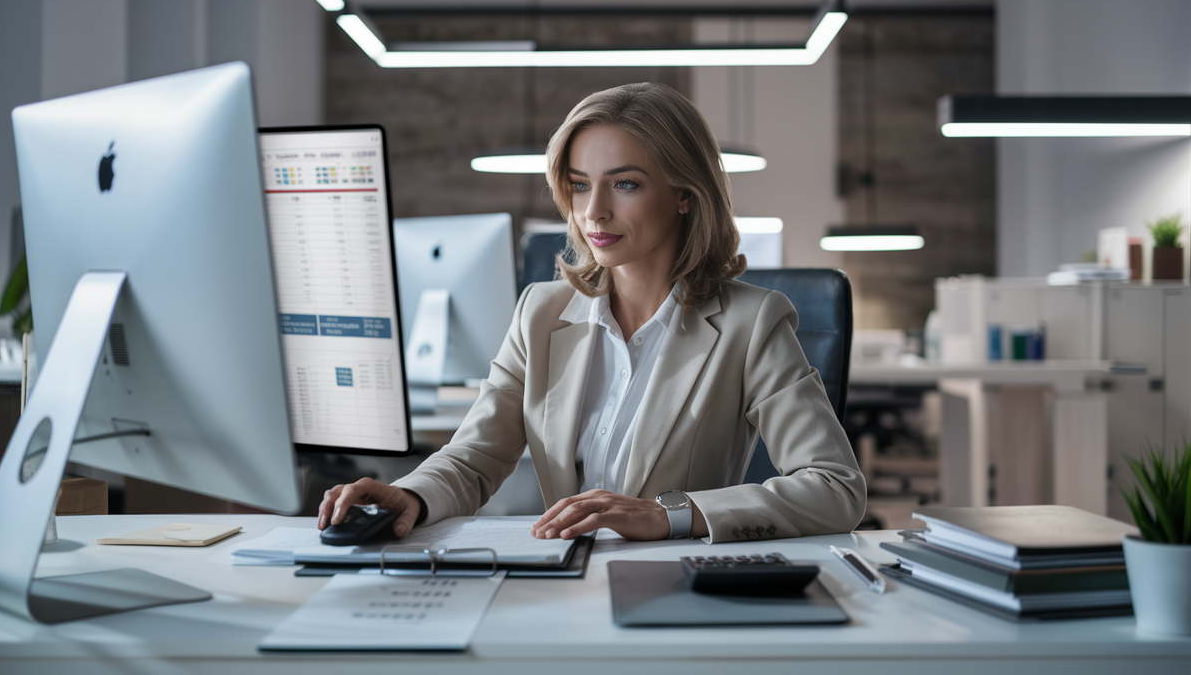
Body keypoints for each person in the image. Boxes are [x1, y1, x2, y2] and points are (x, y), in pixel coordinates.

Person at [319, 82, 865, 543]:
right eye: (579, 185)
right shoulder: (541, 312)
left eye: (624, 184)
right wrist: (410, 493)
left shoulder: (752, 323)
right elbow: (473, 458)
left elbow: (836, 487)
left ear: (684, 194)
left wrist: (668, 514)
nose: (592, 212)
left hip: (677, 583)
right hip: (565, 574)